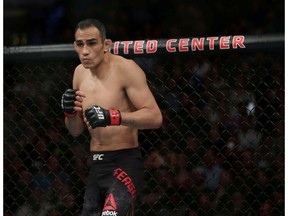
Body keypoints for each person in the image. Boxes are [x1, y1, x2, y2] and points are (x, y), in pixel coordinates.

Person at [61, 18, 163, 216]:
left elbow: (155, 117)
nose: (85, 51)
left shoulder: (126, 69)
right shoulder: (79, 73)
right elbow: (76, 131)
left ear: (106, 44)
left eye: (91, 43)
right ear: (75, 45)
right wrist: (69, 113)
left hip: (124, 161)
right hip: (96, 164)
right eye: (80, 44)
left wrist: (113, 117)